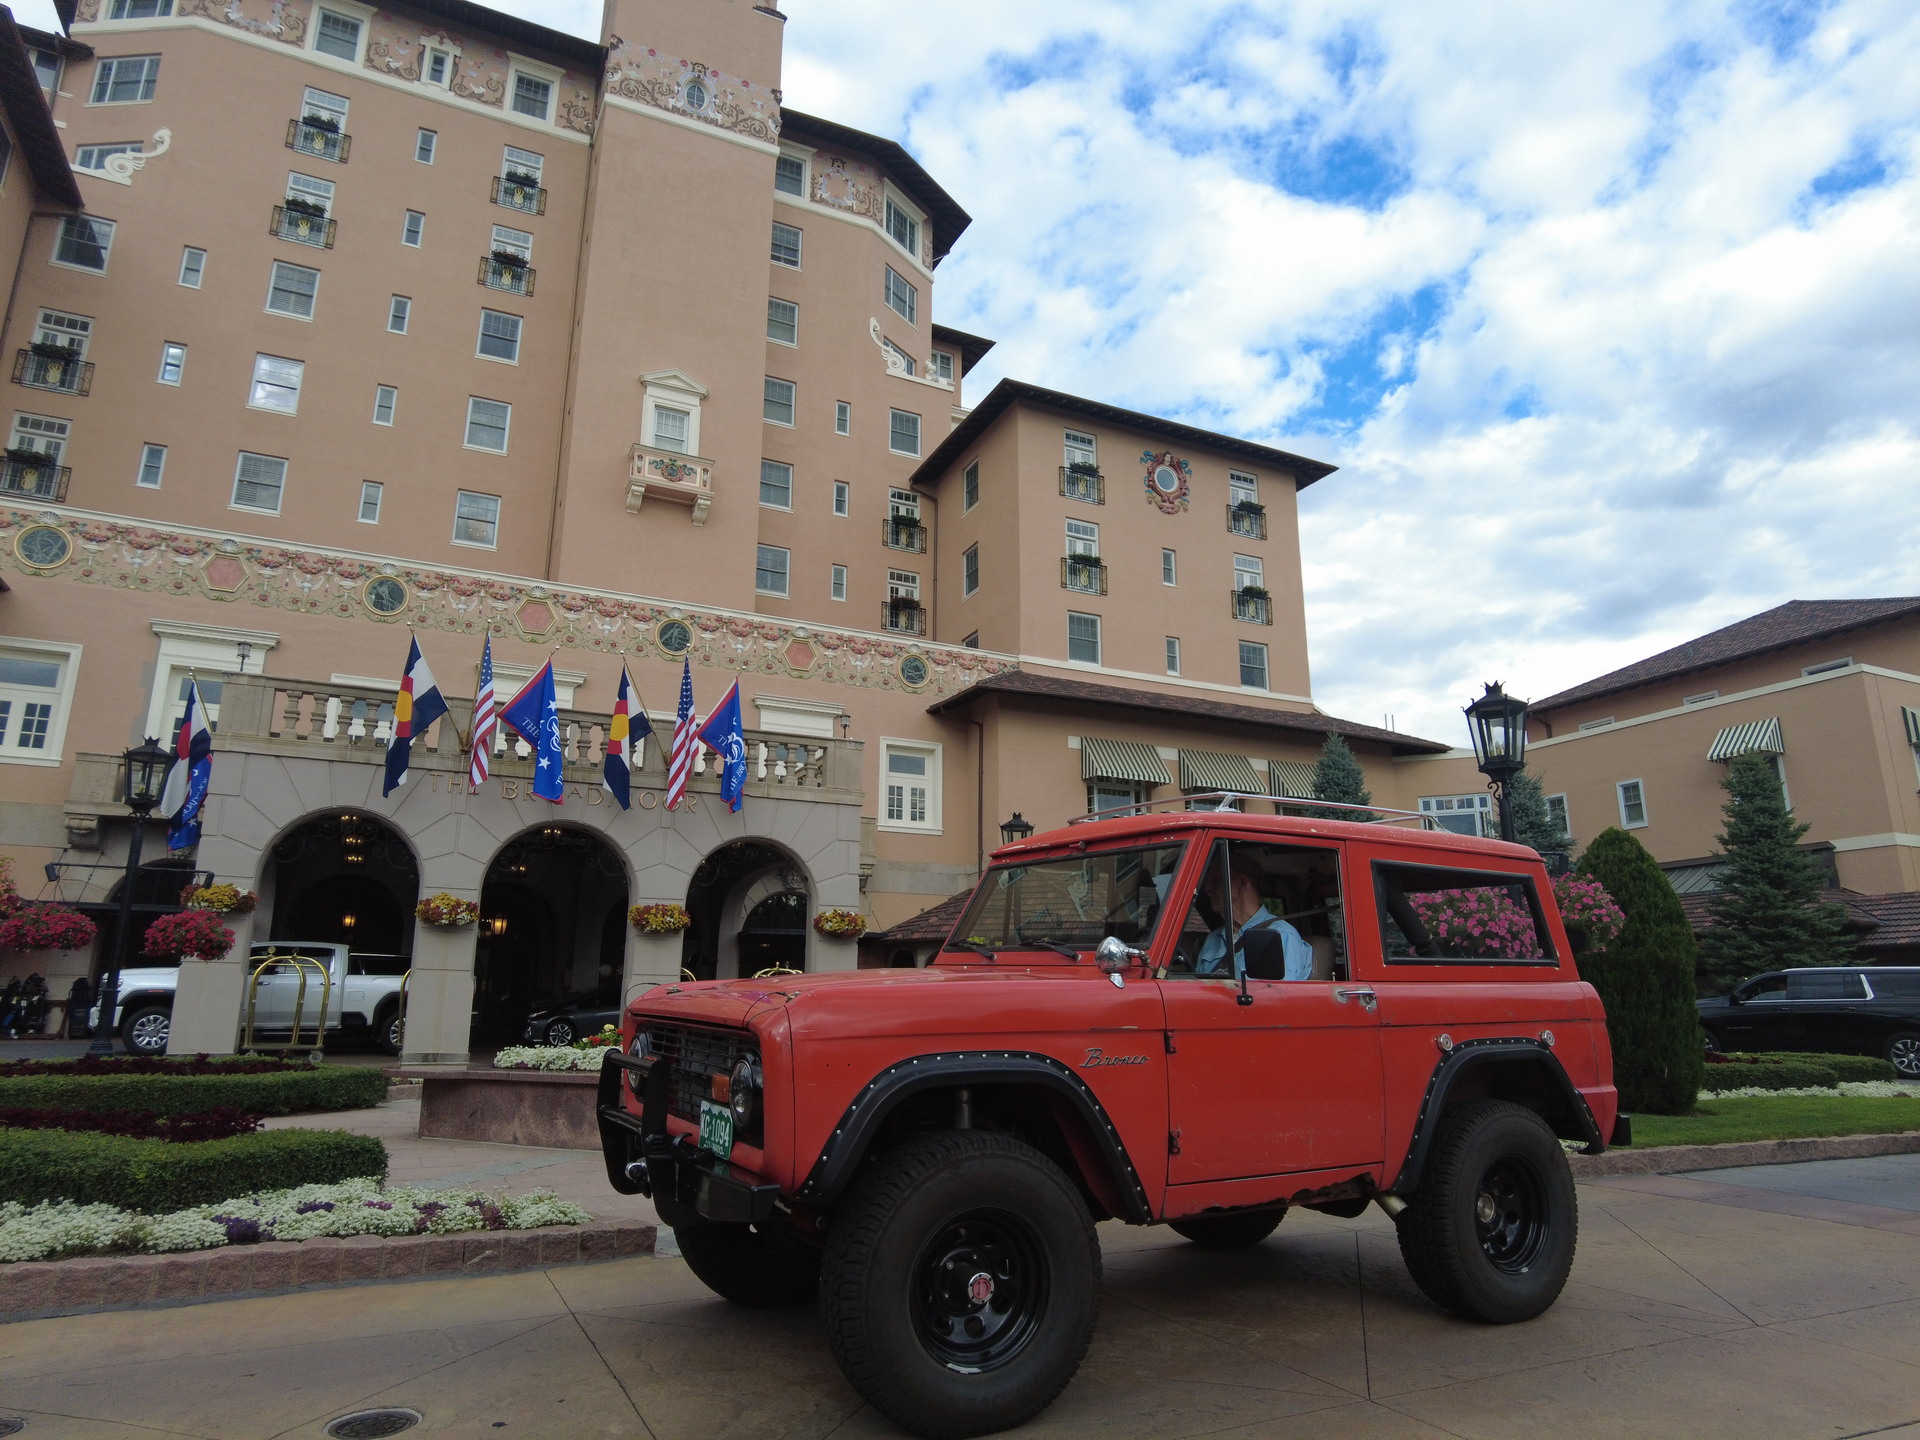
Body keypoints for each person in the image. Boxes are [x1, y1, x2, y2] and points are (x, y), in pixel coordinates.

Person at [1195, 855, 1314, 981]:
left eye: (1216, 880)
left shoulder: (1282, 934)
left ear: (1241, 882)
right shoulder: (1213, 939)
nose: (1207, 889)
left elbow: (1283, 996)